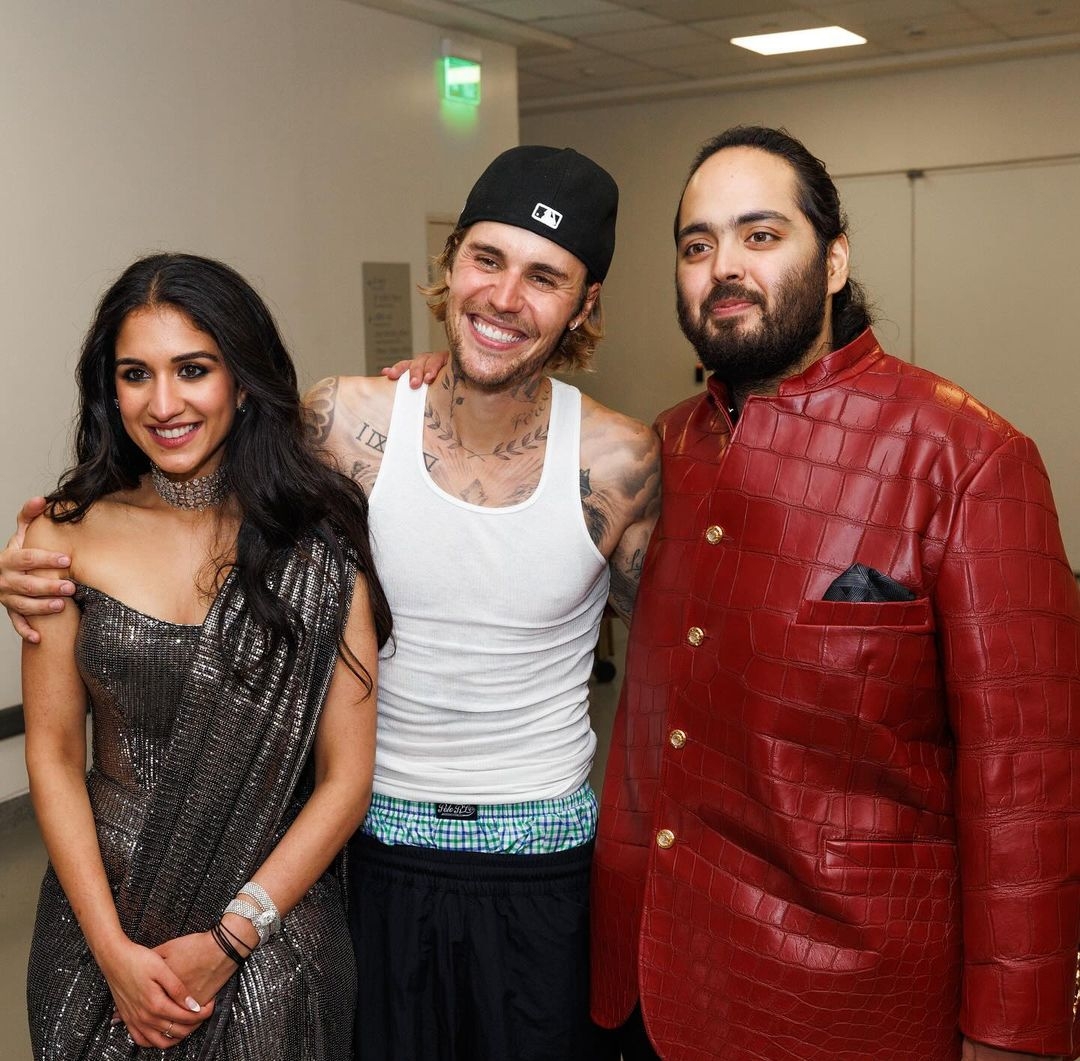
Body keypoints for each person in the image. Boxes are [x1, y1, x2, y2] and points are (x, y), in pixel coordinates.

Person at [4, 148, 661, 1061]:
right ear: (450, 265)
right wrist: (38, 561)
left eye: (543, 277)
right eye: (486, 261)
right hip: (375, 857)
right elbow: (224, 482)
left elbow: (684, 652)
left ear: (585, 304)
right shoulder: (347, 426)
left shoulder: (624, 464)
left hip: (542, 862)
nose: (505, 297)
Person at [589, 126, 1080, 1060]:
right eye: (698, 245)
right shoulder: (663, 451)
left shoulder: (967, 459)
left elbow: (1028, 793)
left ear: (836, 258)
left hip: (852, 1005)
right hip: (655, 983)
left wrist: (1015, 1033)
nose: (724, 266)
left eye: (760, 235)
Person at [20, 252, 391, 1059]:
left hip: (271, 935)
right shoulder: (60, 537)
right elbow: (50, 754)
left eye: (193, 369)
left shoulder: (317, 545)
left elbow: (346, 778)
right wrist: (111, 951)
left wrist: (231, 937)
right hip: (99, 922)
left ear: (243, 380)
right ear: (108, 390)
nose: (163, 403)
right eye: (134, 374)